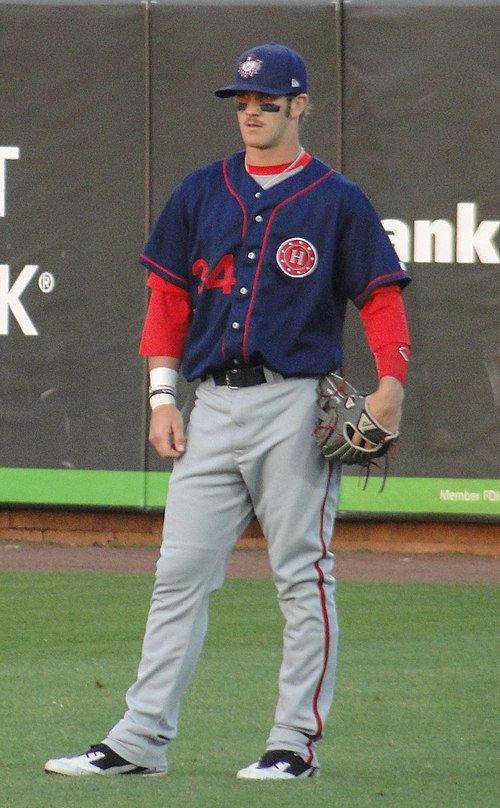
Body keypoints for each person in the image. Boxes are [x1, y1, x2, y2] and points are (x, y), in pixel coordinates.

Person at [45, 42, 410, 781]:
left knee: (302, 576)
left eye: (268, 101)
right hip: (209, 403)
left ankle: (291, 745)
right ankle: (140, 739)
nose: (252, 111)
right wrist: (160, 396)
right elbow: (168, 299)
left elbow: (379, 295)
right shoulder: (201, 191)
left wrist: (391, 386)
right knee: (177, 574)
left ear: (300, 105)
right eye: (243, 101)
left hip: (294, 403)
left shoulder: (336, 199)